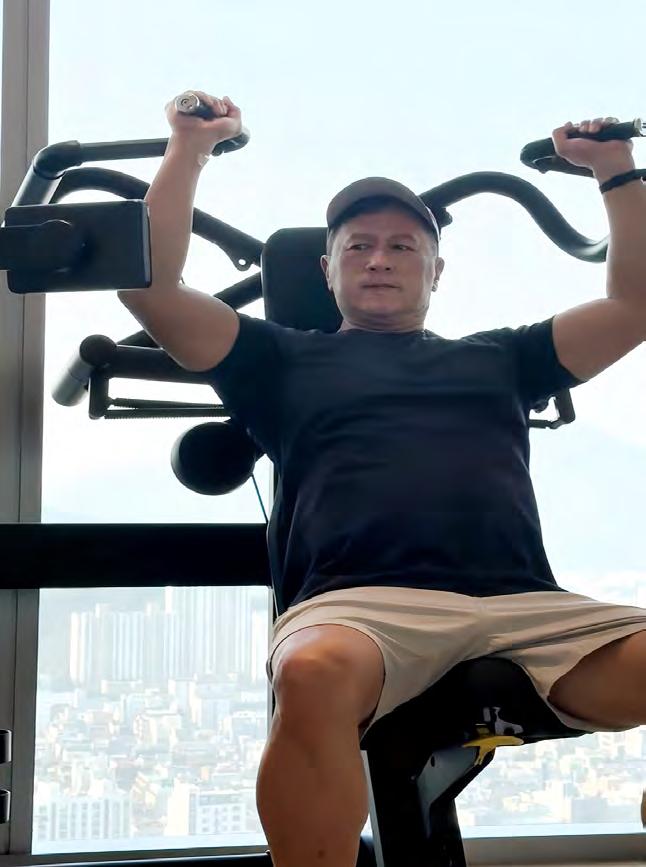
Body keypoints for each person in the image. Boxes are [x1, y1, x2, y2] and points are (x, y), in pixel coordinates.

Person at [119, 92, 646, 867]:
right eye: (359, 245)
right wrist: (188, 147)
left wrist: (616, 169)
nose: (379, 258)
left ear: (437, 270)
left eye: (402, 246)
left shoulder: (503, 356)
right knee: (312, 672)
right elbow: (151, 290)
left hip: (526, 606)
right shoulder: (277, 358)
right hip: (363, 609)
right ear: (327, 268)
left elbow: (633, 303)